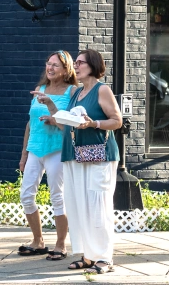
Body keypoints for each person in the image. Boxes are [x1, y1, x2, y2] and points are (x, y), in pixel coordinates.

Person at [32, 48, 122, 275]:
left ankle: (104, 257)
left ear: (93, 66)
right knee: (80, 207)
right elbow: (66, 124)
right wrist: (51, 106)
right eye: (77, 62)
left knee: (98, 206)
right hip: (76, 155)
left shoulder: (102, 90)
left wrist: (94, 124)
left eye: (81, 62)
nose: (77, 66)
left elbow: (117, 121)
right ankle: (89, 256)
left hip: (99, 156)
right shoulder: (77, 94)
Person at [18, 50, 77, 261]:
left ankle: (61, 245)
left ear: (65, 70)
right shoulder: (39, 89)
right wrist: (24, 154)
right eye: (48, 63)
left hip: (57, 150)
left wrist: (51, 107)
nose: (50, 68)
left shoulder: (72, 92)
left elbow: (68, 125)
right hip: (35, 148)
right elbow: (29, 124)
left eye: (55, 65)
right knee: (26, 195)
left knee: (57, 197)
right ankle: (38, 241)